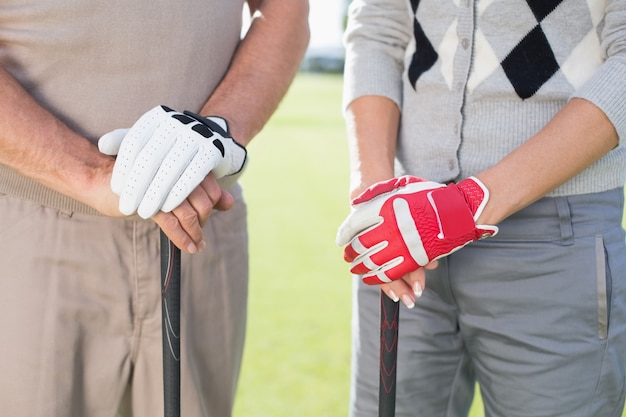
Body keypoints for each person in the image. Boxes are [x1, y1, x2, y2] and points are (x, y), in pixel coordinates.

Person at [0, 1, 309, 416]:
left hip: (202, 224)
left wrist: (218, 129)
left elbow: (286, 10)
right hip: (29, 227)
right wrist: (89, 174)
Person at [337, 0, 626, 416]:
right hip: (403, 234)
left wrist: (468, 205)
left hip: (553, 242)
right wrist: (375, 195)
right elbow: (377, 28)